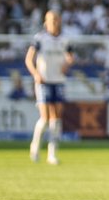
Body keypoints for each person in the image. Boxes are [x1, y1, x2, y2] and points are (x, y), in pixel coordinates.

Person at [25, 10, 73, 164]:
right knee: (45, 118)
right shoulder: (40, 38)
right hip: (44, 81)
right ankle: (35, 147)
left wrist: (68, 64)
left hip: (58, 81)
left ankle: (52, 154)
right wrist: (36, 75)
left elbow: (70, 57)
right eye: (52, 20)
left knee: (57, 118)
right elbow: (28, 59)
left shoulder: (65, 39)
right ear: (46, 22)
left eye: (57, 20)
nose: (54, 23)